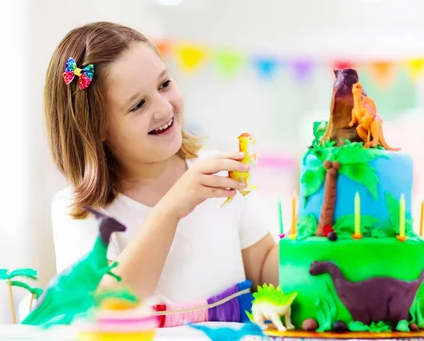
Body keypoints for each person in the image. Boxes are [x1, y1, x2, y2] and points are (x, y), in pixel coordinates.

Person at [44, 21, 278, 306]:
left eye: (164, 84)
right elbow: (102, 304)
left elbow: (264, 267)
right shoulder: (79, 210)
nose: (164, 108)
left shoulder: (219, 172)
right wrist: (170, 209)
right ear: (96, 128)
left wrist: (313, 239)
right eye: (138, 105)